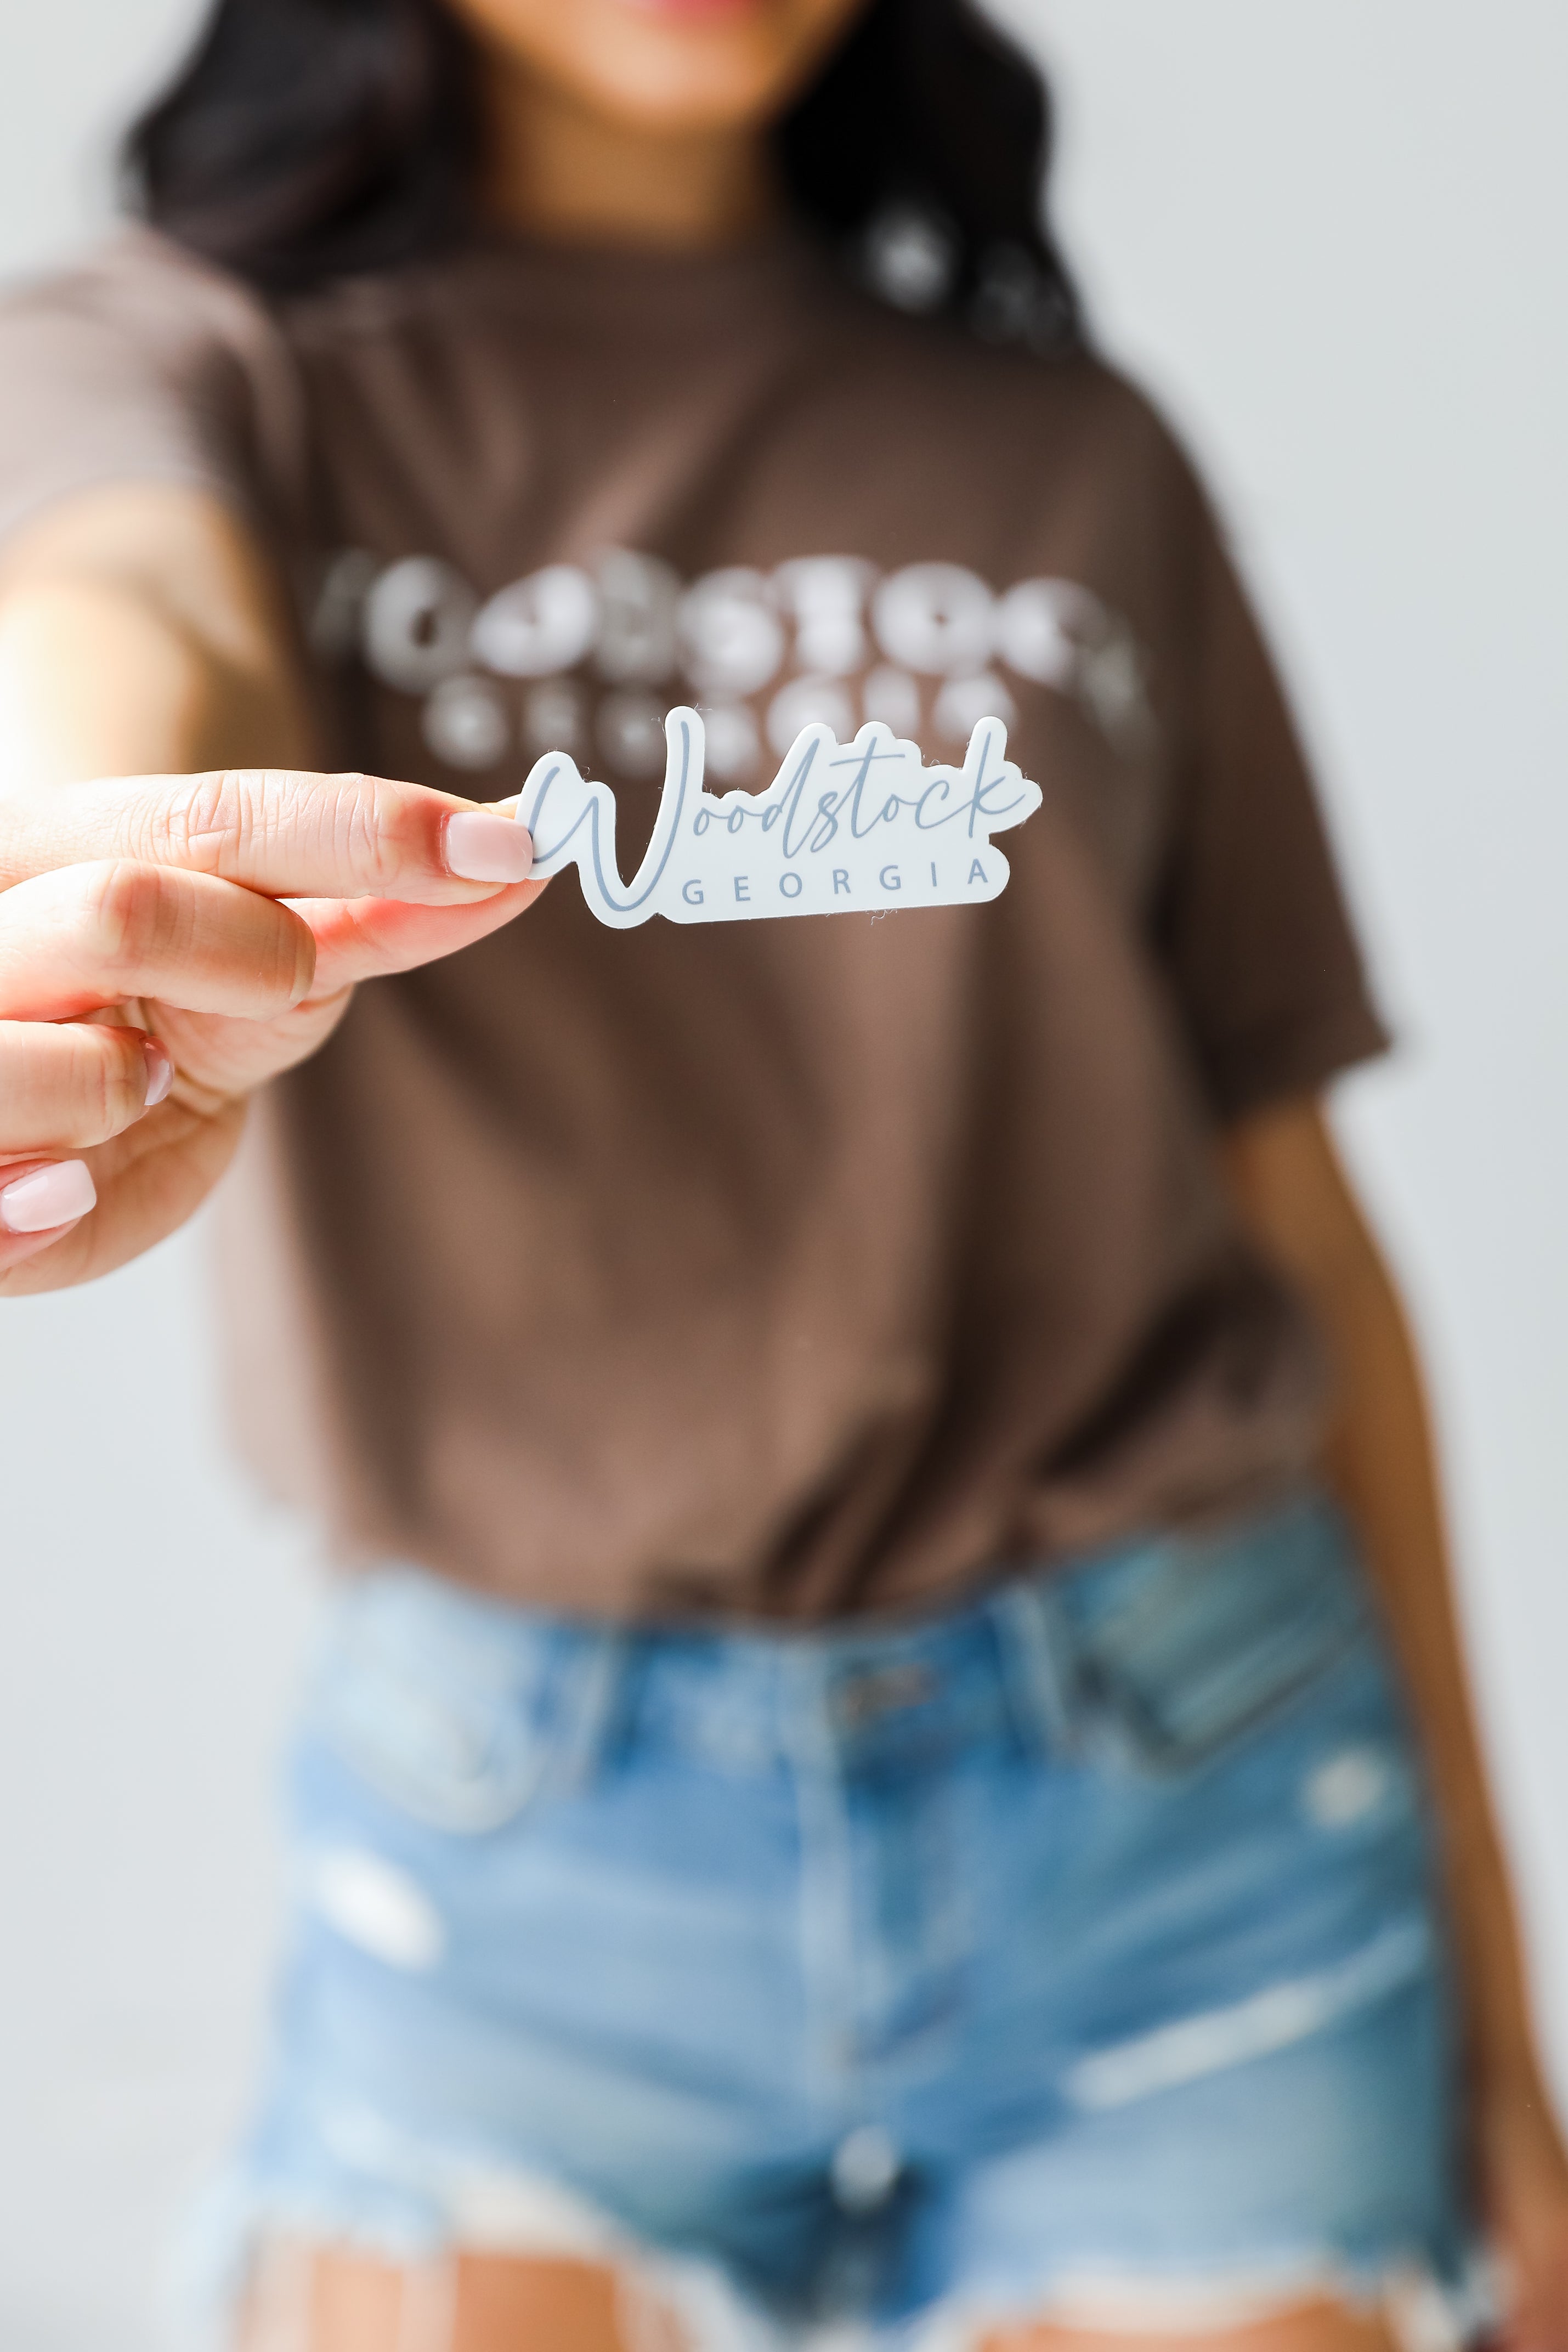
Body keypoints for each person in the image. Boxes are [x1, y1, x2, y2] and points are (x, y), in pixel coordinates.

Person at [0, 1, 1563, 2345]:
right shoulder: (190, 365)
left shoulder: (1073, 449)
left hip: (1190, 1783)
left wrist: (1501, 2009)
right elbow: (129, 616)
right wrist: (116, 885)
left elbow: (1295, 1214)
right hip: (515, 1847)